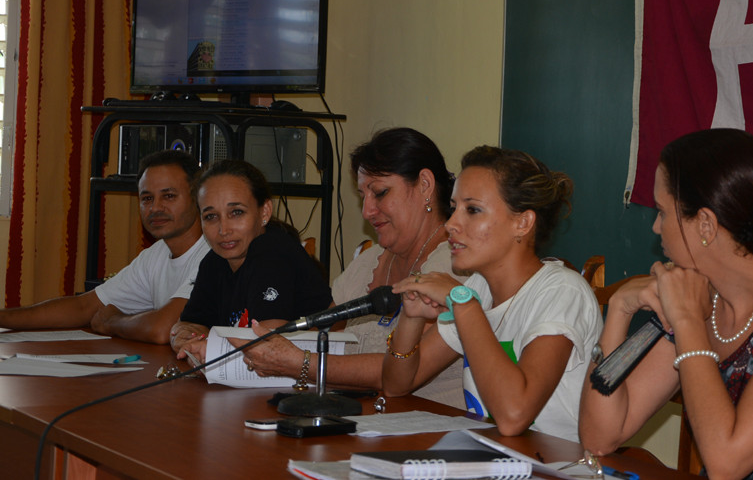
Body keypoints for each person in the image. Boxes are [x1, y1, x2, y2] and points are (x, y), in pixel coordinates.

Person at [579, 129, 753, 478]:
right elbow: (599, 438)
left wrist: (686, 321)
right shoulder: (703, 296)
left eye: (662, 212)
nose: (656, 227)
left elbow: (726, 462)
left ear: (705, 224)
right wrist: (620, 310)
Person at [383, 146, 603, 442]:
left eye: (472, 210)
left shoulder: (562, 291)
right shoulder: (478, 287)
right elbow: (397, 385)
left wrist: (462, 304)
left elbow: (514, 416)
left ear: (522, 223)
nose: (450, 224)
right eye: (454, 207)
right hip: (497, 460)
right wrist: (410, 318)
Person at [234, 127, 464, 407]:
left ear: (425, 185)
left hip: (431, 431)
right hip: (357, 419)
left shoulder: (459, 266)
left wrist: (300, 363)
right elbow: (329, 338)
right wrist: (267, 343)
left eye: (379, 193)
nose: (367, 210)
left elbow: (402, 373)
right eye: (362, 196)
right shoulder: (369, 261)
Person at [0, 150, 209, 344]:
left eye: (169, 196)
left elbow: (163, 329)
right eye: (147, 198)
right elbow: (84, 307)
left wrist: (112, 322)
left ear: (197, 198)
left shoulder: (212, 253)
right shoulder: (155, 255)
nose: (155, 207)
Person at [171, 159, 332, 361]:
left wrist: (207, 348)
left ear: (264, 212)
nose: (224, 230)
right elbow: (188, 324)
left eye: (236, 212)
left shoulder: (272, 253)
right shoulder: (215, 261)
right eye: (211, 216)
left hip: (312, 378)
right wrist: (183, 337)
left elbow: (268, 344)